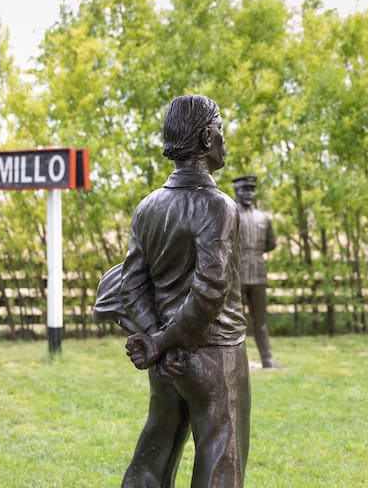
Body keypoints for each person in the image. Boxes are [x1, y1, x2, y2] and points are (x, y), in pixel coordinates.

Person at [120, 94, 250, 487]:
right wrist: (162, 342)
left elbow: (132, 283)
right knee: (220, 454)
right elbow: (210, 291)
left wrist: (156, 342)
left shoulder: (147, 207)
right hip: (215, 353)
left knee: (155, 448)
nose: (225, 142)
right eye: (222, 132)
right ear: (209, 138)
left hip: (165, 361)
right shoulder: (219, 206)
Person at [232, 175, 280, 369]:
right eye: (244, 190)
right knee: (233, 319)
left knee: (260, 320)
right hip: (237, 274)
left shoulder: (264, 217)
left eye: (252, 190)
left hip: (259, 274)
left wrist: (254, 255)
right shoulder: (232, 214)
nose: (248, 193)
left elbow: (271, 243)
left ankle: (267, 359)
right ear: (237, 191)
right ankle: (235, 361)